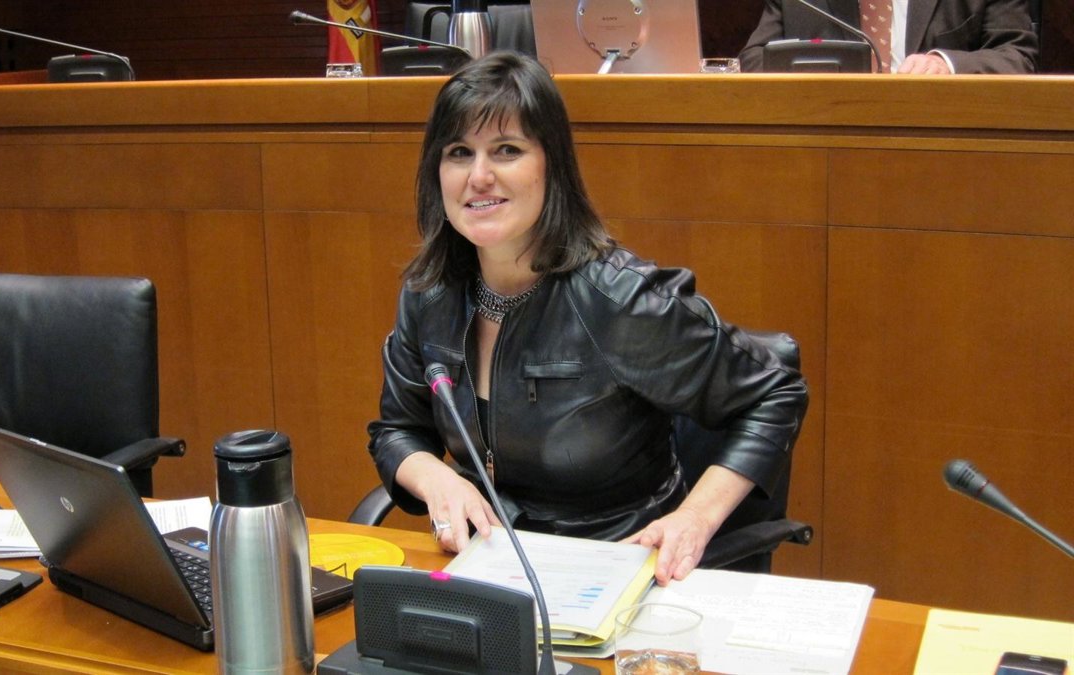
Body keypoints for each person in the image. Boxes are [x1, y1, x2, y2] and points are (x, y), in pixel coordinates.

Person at [366, 52, 808, 585]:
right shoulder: (430, 294)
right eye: (459, 152)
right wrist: (437, 479)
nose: (479, 176)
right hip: (490, 569)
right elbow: (398, 430)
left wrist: (696, 517)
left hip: (620, 574)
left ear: (551, 165)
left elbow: (775, 391)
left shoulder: (618, 300)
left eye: (506, 150)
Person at [739, 0, 1038, 74]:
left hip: (941, 150)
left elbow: (1016, 56)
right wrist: (818, 74)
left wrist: (946, 65)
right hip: (828, 149)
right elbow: (754, 58)